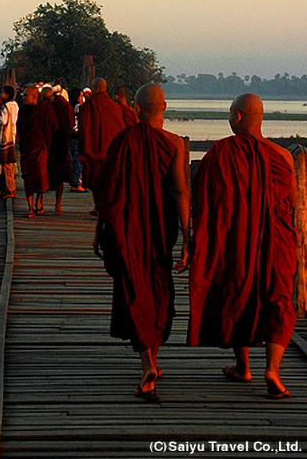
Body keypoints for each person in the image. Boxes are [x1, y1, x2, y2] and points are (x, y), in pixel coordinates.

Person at [188, 93, 297, 400]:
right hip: (278, 239)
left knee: (240, 292)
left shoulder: (221, 152)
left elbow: (207, 199)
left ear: (236, 117)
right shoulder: (283, 156)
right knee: (278, 299)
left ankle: (242, 365)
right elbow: (290, 202)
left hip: (238, 238)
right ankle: (273, 369)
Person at [92, 83, 190, 401]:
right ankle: (153, 362)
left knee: (134, 288)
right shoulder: (176, 143)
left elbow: (107, 190)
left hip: (127, 229)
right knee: (158, 290)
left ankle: (148, 363)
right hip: (161, 229)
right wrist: (188, 237)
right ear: (164, 106)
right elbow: (179, 192)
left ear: (136, 108)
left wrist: (99, 227)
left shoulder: (123, 140)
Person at [77, 78, 126, 192]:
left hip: (94, 150)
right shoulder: (114, 107)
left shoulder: (90, 105)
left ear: (97, 89)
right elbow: (120, 128)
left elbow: (85, 127)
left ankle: (98, 206)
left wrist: (84, 146)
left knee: (96, 180)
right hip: (110, 149)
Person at [17, 86, 58, 217]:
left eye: (26, 96)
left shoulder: (44, 109)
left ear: (34, 97)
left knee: (40, 176)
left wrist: (47, 137)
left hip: (40, 146)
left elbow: (53, 124)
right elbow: (19, 127)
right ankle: (29, 207)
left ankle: (39, 202)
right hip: (27, 147)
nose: (23, 98)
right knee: (28, 177)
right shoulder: (23, 111)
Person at [42, 86, 74, 215]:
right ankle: (39, 203)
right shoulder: (42, 106)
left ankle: (58, 204)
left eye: (47, 99)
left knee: (59, 175)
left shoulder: (62, 106)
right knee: (42, 173)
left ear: (52, 96)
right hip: (44, 142)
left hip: (59, 142)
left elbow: (69, 123)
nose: (46, 102)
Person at [0, 86, 19, 198]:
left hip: (5, 137)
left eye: (2, 93)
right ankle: (10, 187)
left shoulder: (7, 106)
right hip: (12, 136)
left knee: (6, 164)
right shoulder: (15, 105)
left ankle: (10, 189)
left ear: (6, 95)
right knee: (9, 164)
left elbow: (3, 120)